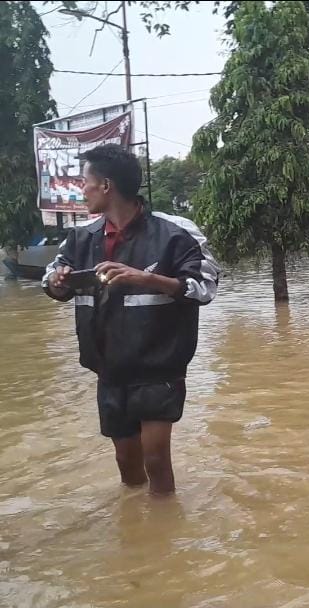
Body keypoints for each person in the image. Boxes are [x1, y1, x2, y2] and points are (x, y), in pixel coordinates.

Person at [41, 144, 219, 496]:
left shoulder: (175, 233)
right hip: (109, 369)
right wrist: (57, 282)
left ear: (106, 186)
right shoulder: (81, 238)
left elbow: (206, 286)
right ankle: (138, 530)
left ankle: (164, 535)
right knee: (127, 463)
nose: (82, 189)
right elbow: (50, 281)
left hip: (158, 367)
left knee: (155, 460)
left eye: (85, 181)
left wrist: (147, 278)